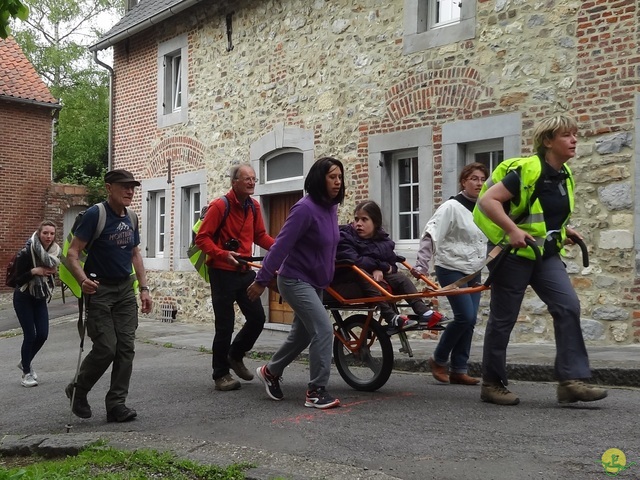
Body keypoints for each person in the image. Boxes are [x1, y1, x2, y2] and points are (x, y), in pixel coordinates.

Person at [473, 114, 607, 406]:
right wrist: (511, 230)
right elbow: (488, 201)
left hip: (544, 255)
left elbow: (545, 215)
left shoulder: (564, 175)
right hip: (512, 256)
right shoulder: (528, 169)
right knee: (503, 319)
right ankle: (492, 384)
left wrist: (564, 230)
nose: (574, 140)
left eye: (575, 134)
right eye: (566, 135)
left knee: (568, 305)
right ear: (547, 141)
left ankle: (570, 382)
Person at [247, 157, 345, 409]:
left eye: (340, 177)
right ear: (319, 179)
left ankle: (270, 371)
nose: (338, 182)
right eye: (332, 177)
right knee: (323, 330)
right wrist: (262, 280)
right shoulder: (304, 208)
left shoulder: (330, 208)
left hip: (316, 283)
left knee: (301, 337)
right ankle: (316, 391)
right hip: (294, 279)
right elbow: (281, 246)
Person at [64, 169, 152, 422]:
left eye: (132, 187)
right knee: (106, 348)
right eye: (124, 186)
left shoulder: (132, 217)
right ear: (108, 187)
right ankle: (77, 391)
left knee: (126, 348)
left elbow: (134, 254)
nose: (129, 191)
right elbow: (73, 253)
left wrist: (144, 289)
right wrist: (83, 280)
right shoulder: (95, 214)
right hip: (99, 289)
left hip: (125, 288)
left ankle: (116, 404)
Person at [195, 163, 275, 391]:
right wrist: (223, 254)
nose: (251, 182)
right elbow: (202, 239)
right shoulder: (220, 206)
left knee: (257, 318)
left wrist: (281, 247)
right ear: (234, 182)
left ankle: (235, 354)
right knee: (225, 326)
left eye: (253, 179)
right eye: (247, 179)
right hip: (221, 273)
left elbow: (260, 235)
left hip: (244, 271)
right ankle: (221, 374)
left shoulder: (254, 207)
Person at [412, 163, 489, 385]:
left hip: (474, 269)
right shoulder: (451, 207)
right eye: (474, 178)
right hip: (451, 268)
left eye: (482, 179)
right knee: (465, 316)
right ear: (464, 181)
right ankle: (438, 358)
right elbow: (430, 234)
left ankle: (459, 369)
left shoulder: (485, 207)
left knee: (471, 320)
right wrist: (421, 265)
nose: (479, 183)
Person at [331, 200, 444, 333]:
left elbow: (392, 264)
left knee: (400, 278)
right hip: (345, 281)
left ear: (375, 223)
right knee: (362, 273)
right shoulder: (346, 237)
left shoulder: (383, 241)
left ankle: (423, 311)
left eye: (364, 220)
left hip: (373, 279)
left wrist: (383, 268)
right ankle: (390, 317)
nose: (358, 224)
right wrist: (379, 267)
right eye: (356, 219)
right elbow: (354, 260)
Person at [12, 220, 61, 387]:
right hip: (23, 296)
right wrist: (35, 271)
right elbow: (17, 279)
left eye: (52, 233)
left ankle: (25, 361)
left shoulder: (54, 253)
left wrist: (53, 271)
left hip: (39, 296)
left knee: (43, 334)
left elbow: (53, 271)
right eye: (45, 233)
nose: (48, 236)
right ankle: (26, 373)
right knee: (30, 335)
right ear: (39, 233)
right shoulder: (26, 252)